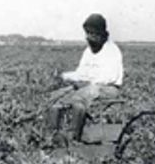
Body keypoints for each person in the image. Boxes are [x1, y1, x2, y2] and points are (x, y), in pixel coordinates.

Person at [47, 13, 123, 141]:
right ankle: (52, 135)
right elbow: (80, 73)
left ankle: (73, 137)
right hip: (89, 86)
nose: (90, 37)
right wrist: (64, 76)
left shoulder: (112, 51)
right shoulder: (88, 51)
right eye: (88, 33)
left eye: (93, 34)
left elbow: (108, 77)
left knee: (78, 99)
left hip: (107, 88)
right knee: (55, 98)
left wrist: (86, 83)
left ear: (102, 34)